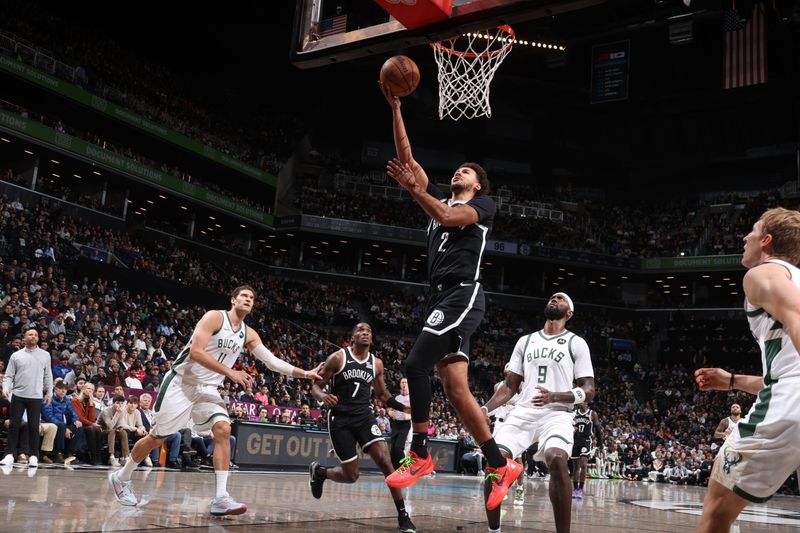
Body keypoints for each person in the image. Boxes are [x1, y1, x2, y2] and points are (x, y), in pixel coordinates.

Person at [380, 83, 519, 505]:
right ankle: (499, 463)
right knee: (457, 390)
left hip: (462, 296)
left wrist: (416, 191)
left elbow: (442, 213)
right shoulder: (437, 196)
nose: (458, 172)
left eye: (467, 171)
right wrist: (396, 108)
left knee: (414, 363)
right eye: (457, 169)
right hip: (439, 297)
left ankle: (420, 452)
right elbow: (408, 163)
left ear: (478, 186)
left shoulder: (483, 208)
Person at [108, 285, 322, 516]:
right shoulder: (214, 317)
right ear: (233, 300)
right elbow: (196, 353)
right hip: (181, 383)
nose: (249, 300)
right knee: (156, 438)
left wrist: (305, 373)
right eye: (244, 296)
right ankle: (121, 477)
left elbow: (272, 362)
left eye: (252, 298)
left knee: (223, 428)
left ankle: (221, 497)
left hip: (208, 389)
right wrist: (230, 373)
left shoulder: (248, 333)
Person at [694, 207, 800, 533]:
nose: (745, 237)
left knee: (716, 513)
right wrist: (733, 381)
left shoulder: (761, 273)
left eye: (752, 231)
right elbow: (787, 371)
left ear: (766, 240)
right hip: (789, 394)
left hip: (788, 406)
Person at [480, 292, 596, 533]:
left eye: (561, 299)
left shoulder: (576, 343)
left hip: (557, 413)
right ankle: (494, 530)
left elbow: (589, 389)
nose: (554, 300)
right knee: (494, 460)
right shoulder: (525, 341)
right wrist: (485, 409)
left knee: (556, 457)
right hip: (524, 411)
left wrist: (556, 396)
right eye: (552, 297)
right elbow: (510, 386)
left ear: (569, 313)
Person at [308, 322, 416, 533]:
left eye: (368, 331)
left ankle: (403, 516)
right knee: (351, 476)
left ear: (371, 338)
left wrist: (406, 408)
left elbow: (383, 395)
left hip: (365, 417)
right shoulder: (338, 358)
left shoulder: (376, 364)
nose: (365, 333)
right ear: (353, 337)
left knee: (386, 461)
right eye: (360, 330)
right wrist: (322, 396)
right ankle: (320, 472)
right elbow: (316, 385)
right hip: (340, 419)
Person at [0, 326, 52, 467]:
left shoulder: (45, 355)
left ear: (38, 338)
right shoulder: (16, 355)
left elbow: (48, 376)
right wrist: (5, 389)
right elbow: (9, 375)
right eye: (30, 334)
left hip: (35, 396)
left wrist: (49, 393)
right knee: (14, 426)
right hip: (18, 395)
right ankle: (9, 454)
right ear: (24, 338)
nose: (33, 336)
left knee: (34, 427)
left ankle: (34, 455)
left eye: (35, 334)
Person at [570, 402, 602, 500]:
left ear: (586, 402)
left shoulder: (592, 414)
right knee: (575, 466)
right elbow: (569, 425)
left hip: (586, 441)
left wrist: (600, 444)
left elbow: (598, 429)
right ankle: (575, 489)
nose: (580, 402)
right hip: (575, 441)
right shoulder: (574, 413)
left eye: (582, 401)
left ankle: (580, 489)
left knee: (583, 464)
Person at [388, 377, 411, 469]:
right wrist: (390, 412)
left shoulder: (412, 397)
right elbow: (391, 408)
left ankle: (404, 468)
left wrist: (409, 416)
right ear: (400, 385)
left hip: (405, 424)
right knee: (393, 449)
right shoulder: (397, 397)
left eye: (405, 382)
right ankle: (396, 469)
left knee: (399, 447)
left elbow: (418, 411)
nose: (404, 384)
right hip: (395, 424)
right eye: (402, 382)